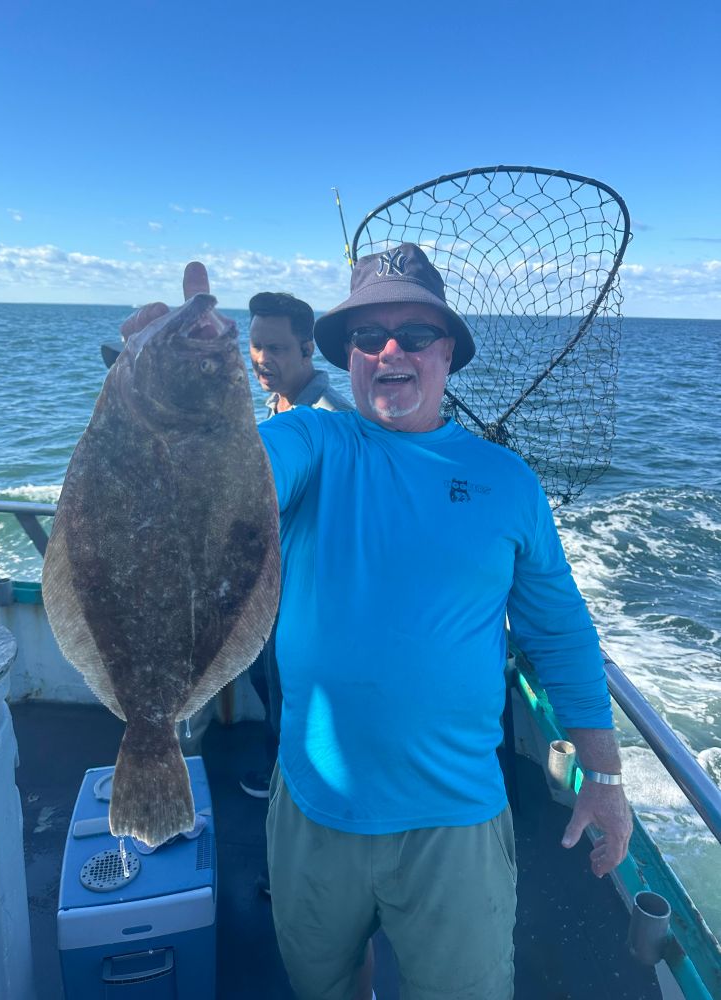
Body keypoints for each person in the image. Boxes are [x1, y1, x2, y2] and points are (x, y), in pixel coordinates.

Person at [124, 248, 633, 1000]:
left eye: (413, 334)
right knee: (322, 985)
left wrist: (607, 775)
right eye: (368, 337)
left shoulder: (507, 481)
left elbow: (559, 632)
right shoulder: (313, 442)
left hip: (455, 822)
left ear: (448, 351)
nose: (389, 350)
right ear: (350, 358)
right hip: (314, 810)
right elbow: (222, 481)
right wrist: (171, 387)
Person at [241, 290, 353, 803]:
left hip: (311, 598)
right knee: (269, 686)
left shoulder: (332, 417)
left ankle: (289, 799)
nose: (263, 358)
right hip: (272, 587)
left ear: (309, 350)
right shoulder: (276, 407)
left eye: (278, 348)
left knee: (294, 701)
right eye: (256, 344)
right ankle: (277, 774)